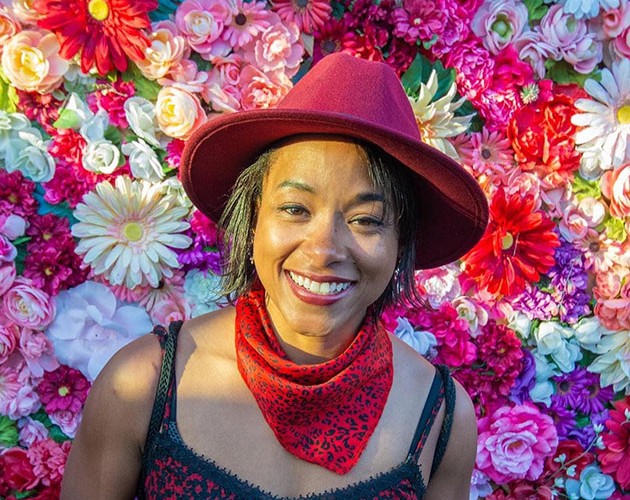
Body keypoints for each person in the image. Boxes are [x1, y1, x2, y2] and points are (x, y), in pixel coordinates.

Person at [61, 52, 489, 499]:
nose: (323, 250)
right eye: (294, 210)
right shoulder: (142, 385)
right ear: (252, 220)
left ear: (402, 241)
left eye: (366, 220)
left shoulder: (440, 417)